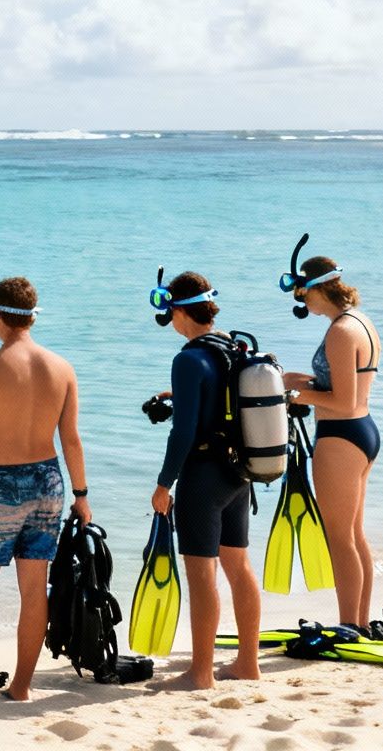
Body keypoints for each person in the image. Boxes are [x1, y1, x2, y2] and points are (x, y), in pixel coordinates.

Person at [0, 277, 91, 707]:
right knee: (33, 586)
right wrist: (81, 494)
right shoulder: (62, 367)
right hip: (50, 482)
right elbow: (72, 439)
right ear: (31, 315)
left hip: (3, 486)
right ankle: (22, 685)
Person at [146, 270, 262, 690]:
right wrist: (175, 396)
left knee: (201, 574)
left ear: (177, 310)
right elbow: (221, 400)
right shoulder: (231, 348)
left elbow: (184, 432)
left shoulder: (187, 358)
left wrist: (164, 484)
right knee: (239, 566)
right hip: (238, 474)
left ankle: (201, 672)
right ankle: (247, 662)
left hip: (202, 479)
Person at [279, 256, 381, 631]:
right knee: (354, 534)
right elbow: (346, 385)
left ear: (319, 289)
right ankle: (362, 622)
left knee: (339, 538)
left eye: (303, 294)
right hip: (362, 432)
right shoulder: (359, 322)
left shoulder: (340, 331)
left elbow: (343, 400)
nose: (302, 302)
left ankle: (349, 626)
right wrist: (300, 380)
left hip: (341, 436)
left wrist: (293, 397)